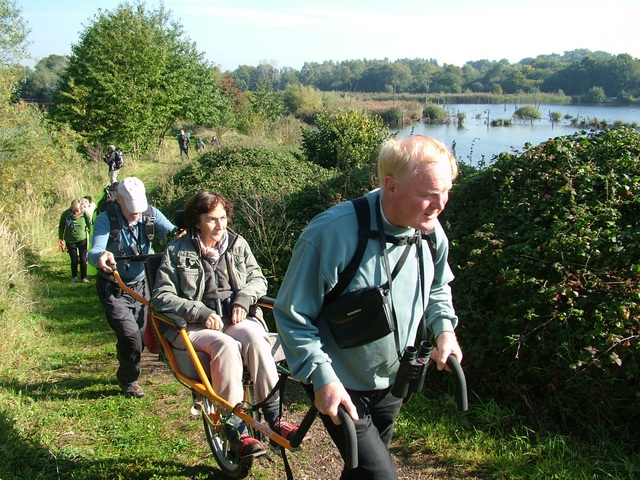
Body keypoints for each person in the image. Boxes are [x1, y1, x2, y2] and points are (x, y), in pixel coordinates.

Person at [273, 135, 463, 479]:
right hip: (339, 379)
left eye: (445, 192)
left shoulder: (430, 231)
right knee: (380, 475)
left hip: (393, 381)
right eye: (428, 194)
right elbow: (291, 314)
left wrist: (444, 330)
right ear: (390, 186)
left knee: (362, 468)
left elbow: (437, 287)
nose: (440, 204)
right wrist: (322, 378)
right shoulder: (333, 232)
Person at [151, 191, 299, 460]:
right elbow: (161, 297)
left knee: (256, 336)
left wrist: (244, 299)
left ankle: (274, 417)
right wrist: (200, 311)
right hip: (195, 327)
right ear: (197, 221)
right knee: (226, 345)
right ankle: (237, 427)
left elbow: (258, 278)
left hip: (234, 320)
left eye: (223, 218)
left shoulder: (237, 244)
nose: (220, 226)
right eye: (212, 220)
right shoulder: (176, 251)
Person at [89, 177, 176, 398]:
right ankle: (129, 381)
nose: (136, 214)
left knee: (138, 336)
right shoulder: (105, 219)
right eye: (131, 210)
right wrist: (102, 255)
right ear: (119, 200)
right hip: (114, 287)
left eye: (139, 209)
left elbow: (173, 235)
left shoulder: (150, 214)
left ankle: (128, 369)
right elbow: (94, 249)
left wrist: (185, 236)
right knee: (129, 336)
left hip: (140, 286)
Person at [58, 198, 92, 283]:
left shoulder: (85, 213)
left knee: (83, 260)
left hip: (82, 239)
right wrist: (60, 239)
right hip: (70, 240)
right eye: (74, 210)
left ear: (81, 208)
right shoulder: (65, 214)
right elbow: (61, 227)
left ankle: (84, 277)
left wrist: (92, 236)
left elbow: (90, 225)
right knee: (74, 260)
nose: (75, 213)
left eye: (77, 210)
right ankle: (74, 277)